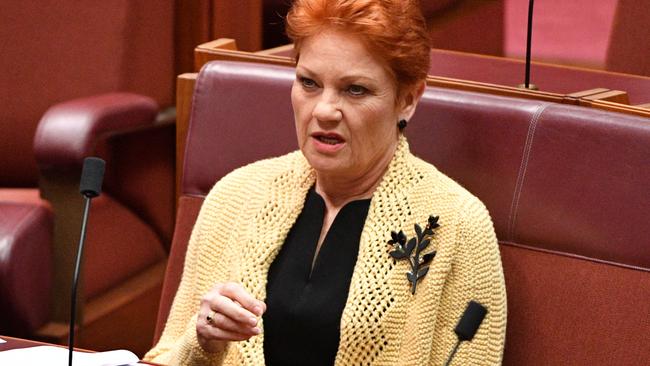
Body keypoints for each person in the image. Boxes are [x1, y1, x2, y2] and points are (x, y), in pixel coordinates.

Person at [144, 0, 506, 364]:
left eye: (355, 90)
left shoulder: (457, 225)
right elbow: (162, 358)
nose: (323, 111)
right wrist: (201, 341)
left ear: (408, 99)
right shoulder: (235, 195)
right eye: (309, 83)